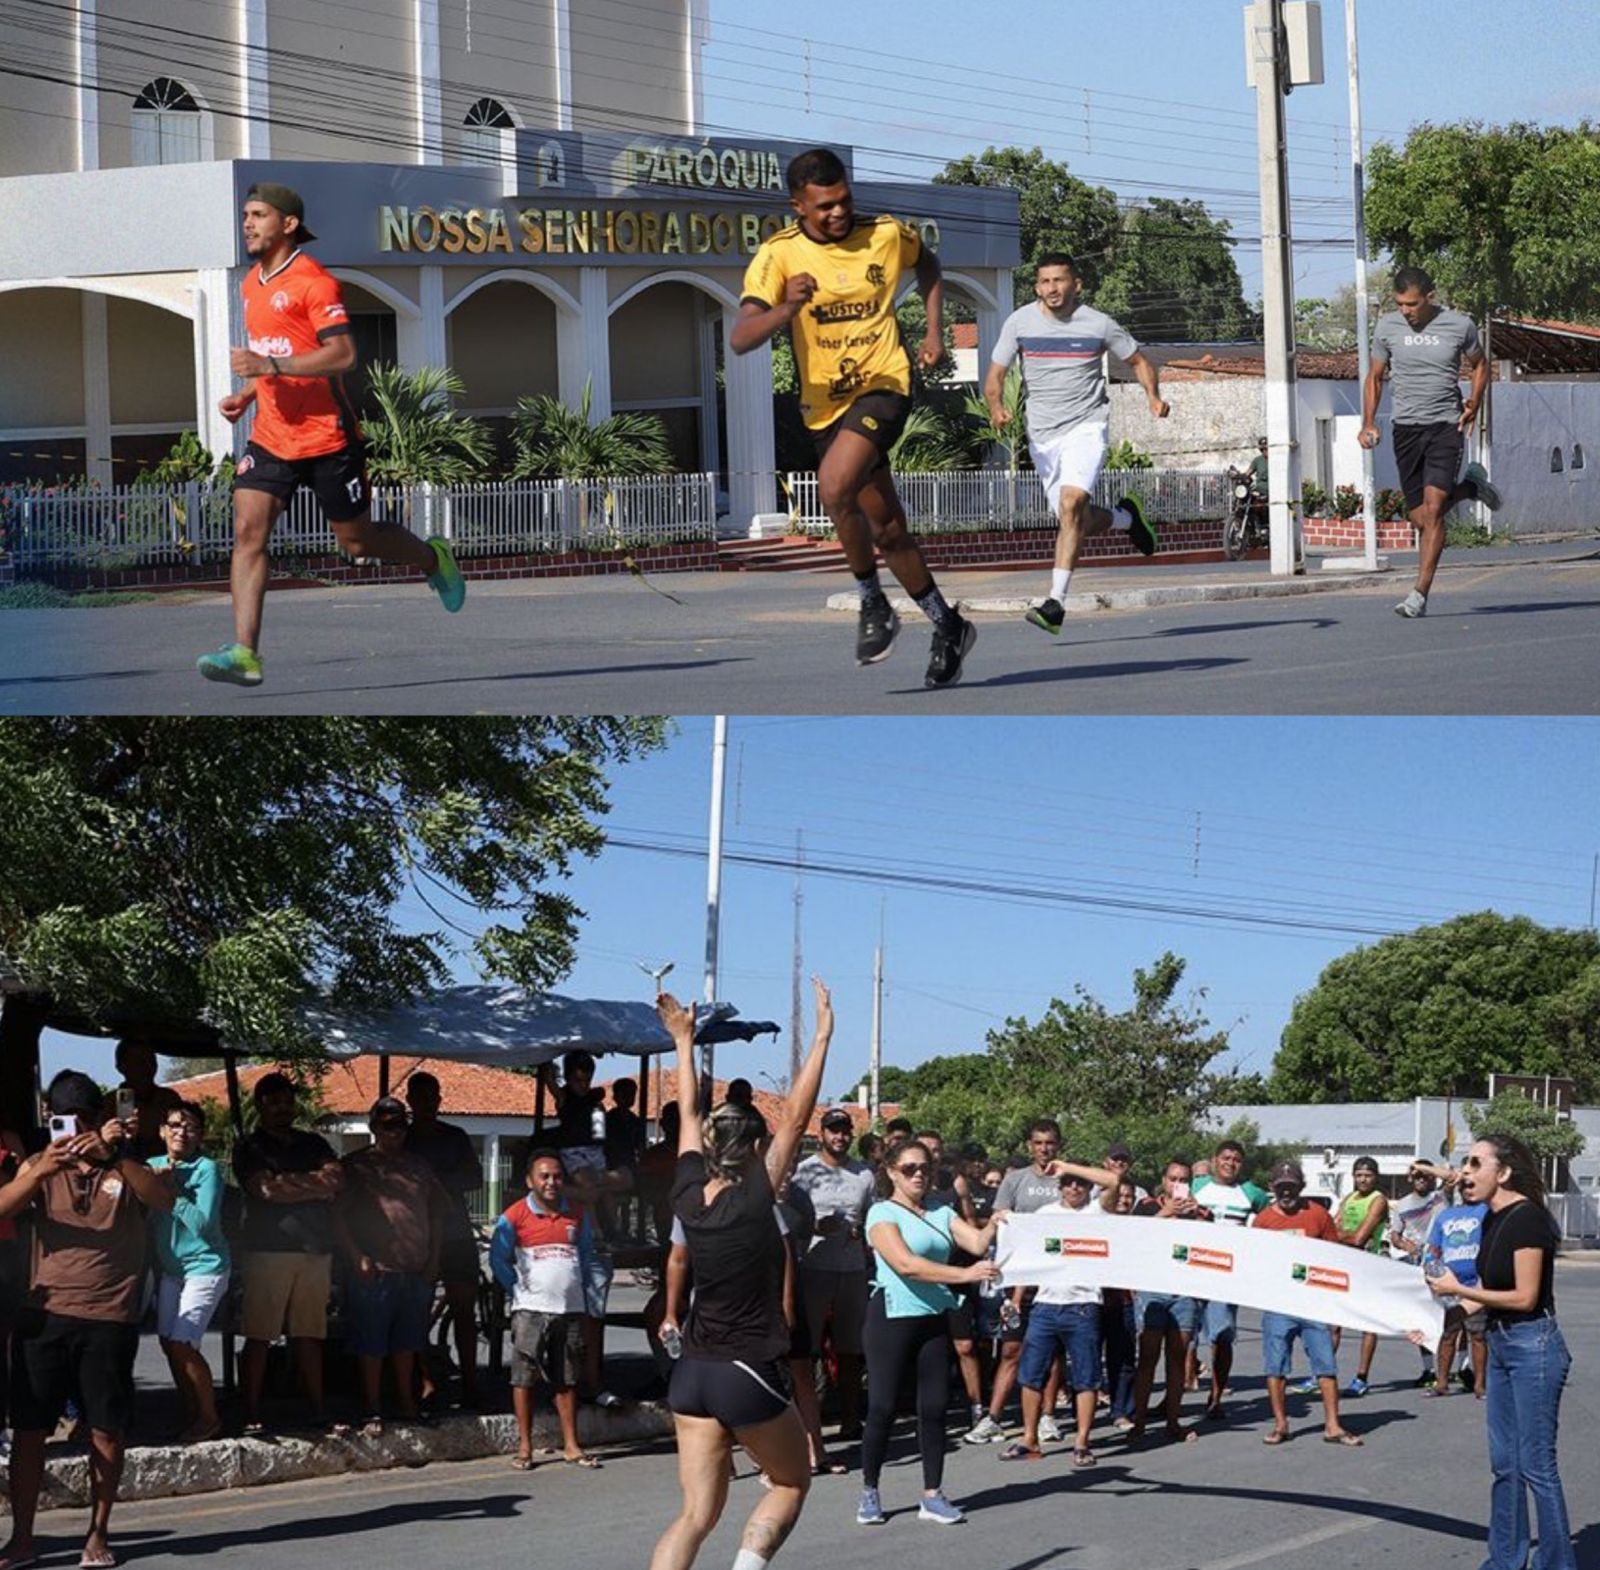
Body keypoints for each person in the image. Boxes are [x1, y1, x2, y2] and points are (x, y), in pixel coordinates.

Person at [200, 182, 463, 685]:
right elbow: (274, 351)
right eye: (246, 215)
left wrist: (267, 363)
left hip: (328, 438)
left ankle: (433, 557)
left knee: (358, 543)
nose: (248, 224)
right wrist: (250, 392)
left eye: (258, 215)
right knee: (247, 532)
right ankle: (245, 652)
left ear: (288, 224)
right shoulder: (252, 283)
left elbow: (342, 356)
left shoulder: (315, 283)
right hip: (272, 436)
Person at [732, 147, 976, 688]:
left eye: (843, 200)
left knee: (834, 486)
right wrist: (787, 310)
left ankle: (873, 604)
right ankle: (949, 624)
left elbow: (929, 265)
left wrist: (934, 331)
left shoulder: (887, 234)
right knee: (887, 531)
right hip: (824, 408)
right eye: (824, 207)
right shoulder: (778, 257)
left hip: (885, 383)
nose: (838, 213)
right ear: (798, 205)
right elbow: (742, 338)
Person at [648, 978, 834, 1570]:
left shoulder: (686, 1192)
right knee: (791, 1482)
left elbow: (689, 1114)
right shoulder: (756, 1197)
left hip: (692, 1374)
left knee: (695, 1515)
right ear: (754, 1149)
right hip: (742, 1368)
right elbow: (798, 1116)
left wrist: (682, 1041)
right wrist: (823, 1037)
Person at [0, 1071, 174, 1570]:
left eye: (81, 1120)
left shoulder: (126, 1164)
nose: (71, 1130)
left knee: (106, 1432)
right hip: (44, 1315)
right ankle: (23, 1538)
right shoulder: (40, 1164)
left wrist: (112, 1154)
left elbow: (163, 1198)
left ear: (100, 1118)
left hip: (108, 1320)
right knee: (31, 1431)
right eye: (61, 1120)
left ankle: (98, 1533)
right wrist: (38, 1171)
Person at [985, 252, 1168, 637]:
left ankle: (1055, 603)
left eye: (1060, 280)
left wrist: (1152, 396)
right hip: (1042, 435)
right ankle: (1126, 518)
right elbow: (996, 375)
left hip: (1086, 426)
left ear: (1076, 284)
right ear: (1037, 286)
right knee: (1075, 521)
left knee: (1071, 505)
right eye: (1045, 281)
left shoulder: (1099, 324)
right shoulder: (1019, 322)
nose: (1052, 288)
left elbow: (1138, 360)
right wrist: (996, 406)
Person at [1428, 1136, 1575, 1570]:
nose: (1466, 1173)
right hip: (1501, 1344)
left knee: (1536, 1466)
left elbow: (1525, 1296)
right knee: (1505, 1465)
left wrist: (1457, 1289)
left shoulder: (1528, 1220)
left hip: (1534, 1346)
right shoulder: (1489, 1221)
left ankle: (1557, 1564)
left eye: (1476, 1163)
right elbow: (1483, 1297)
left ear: (1504, 1173)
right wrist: (1436, 1322)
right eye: (1464, 1164)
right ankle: (1506, 1561)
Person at [859, 1139, 1004, 1524]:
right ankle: (870, 1490)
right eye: (909, 1168)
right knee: (883, 1407)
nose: (919, 1174)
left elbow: (974, 1242)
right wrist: (965, 1275)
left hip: (934, 1316)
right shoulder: (881, 1213)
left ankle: (932, 1494)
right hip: (891, 1316)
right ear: (891, 1172)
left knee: (935, 1407)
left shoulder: (941, 1209)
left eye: (925, 1167)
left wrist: (996, 1221)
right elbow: (907, 1265)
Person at [1359, 265, 1501, 619]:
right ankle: (1469, 489)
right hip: (1406, 429)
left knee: (1435, 508)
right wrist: (1367, 422)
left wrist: (1474, 402)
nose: (1406, 311)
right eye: (1400, 304)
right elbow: (1375, 377)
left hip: (1444, 426)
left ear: (1429, 298)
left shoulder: (1459, 324)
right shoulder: (1387, 327)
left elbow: (1480, 365)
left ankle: (1419, 594)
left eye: (1412, 304)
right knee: (1422, 519)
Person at [232, 1071, 344, 1435]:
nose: (283, 1107)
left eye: (287, 1101)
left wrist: (289, 1184)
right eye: (274, 1101)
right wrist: (313, 1185)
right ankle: (250, 1410)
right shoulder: (249, 1146)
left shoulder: (314, 1142)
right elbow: (265, 1190)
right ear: (261, 1105)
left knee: (309, 1335)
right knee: (260, 1335)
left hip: (314, 1251)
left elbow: (335, 1181)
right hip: (267, 1251)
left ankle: (317, 1407)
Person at [334, 1096, 447, 1434]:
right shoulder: (355, 1166)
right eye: (386, 1125)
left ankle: (407, 1404)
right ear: (373, 1127)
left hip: (415, 1268)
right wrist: (356, 1256)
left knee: (408, 1343)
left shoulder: (420, 1166)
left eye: (398, 1124)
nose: (393, 1131)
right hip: (376, 1270)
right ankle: (372, 1407)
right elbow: (336, 1216)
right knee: (372, 1344)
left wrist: (435, 1257)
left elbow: (438, 1212)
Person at [999, 1158, 1121, 1467]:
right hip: (1045, 1305)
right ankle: (1029, 1439)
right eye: (1068, 1183)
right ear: (1060, 1187)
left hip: (1083, 1307)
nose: (1075, 1187)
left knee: (1086, 1378)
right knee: (1030, 1375)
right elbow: (1028, 1255)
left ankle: (1081, 1442)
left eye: (1080, 1182)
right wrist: (1016, 1297)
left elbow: (1113, 1181)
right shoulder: (1045, 1214)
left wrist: (1068, 1166)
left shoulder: (1097, 1211)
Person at [490, 1147, 602, 1470]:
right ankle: (524, 1448)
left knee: (566, 1378)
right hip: (530, 1311)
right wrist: (517, 1289)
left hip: (570, 1308)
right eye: (544, 1176)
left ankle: (571, 1444)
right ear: (530, 1181)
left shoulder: (578, 1214)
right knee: (524, 1378)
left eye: (557, 1176)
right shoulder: (513, 1216)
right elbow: (499, 1259)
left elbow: (585, 1255)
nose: (552, 1182)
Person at [964, 1118, 1068, 1445]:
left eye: (1050, 1142)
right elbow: (1001, 1225)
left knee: (1052, 1351)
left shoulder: (1068, 1179)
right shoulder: (1014, 1180)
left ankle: (1047, 1418)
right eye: (1038, 1143)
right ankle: (992, 1418)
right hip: (1018, 1280)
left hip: (1057, 1277)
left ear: (1058, 1145)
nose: (1044, 1148)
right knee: (1011, 1348)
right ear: (1029, 1145)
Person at [1251, 1160, 1362, 1448]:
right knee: (1276, 1367)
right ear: (1272, 1188)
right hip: (1278, 1304)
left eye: (1292, 1187)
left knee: (1326, 1365)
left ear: (1301, 1187)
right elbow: (1255, 1263)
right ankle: (1281, 1425)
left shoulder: (1318, 1215)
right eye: (1281, 1188)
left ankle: (1333, 1425)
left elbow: (1333, 1256)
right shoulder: (1263, 1221)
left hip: (1314, 1304)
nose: (1287, 1193)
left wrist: (1335, 1300)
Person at [788, 1108, 874, 1445]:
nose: (839, 1137)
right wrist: (814, 1227)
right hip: (813, 1268)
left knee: (850, 1348)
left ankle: (852, 1419)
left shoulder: (863, 1174)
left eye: (844, 1131)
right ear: (821, 1133)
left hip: (852, 1269)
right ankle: (808, 1425)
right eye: (833, 1131)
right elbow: (790, 1222)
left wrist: (861, 1232)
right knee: (806, 1351)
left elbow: (874, 1217)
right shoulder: (804, 1173)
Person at [402, 1071, 485, 1411]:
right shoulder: (402, 1140)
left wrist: (433, 1182)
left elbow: (475, 1178)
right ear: (410, 1101)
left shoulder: (456, 1136)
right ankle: (425, 1382)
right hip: (414, 1238)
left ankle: (470, 1382)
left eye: (433, 1097)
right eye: (420, 1097)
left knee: (465, 1312)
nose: (428, 1103)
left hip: (455, 1235)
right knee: (415, 1314)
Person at [148, 1100, 230, 1442]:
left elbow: (203, 1225)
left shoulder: (207, 1169)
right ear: (162, 1131)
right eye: (175, 1125)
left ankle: (210, 1419)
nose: (181, 1131)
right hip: (171, 1271)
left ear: (201, 1135)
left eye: (190, 1127)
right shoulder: (149, 1167)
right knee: (169, 1344)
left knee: (183, 1343)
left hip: (206, 1266)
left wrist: (172, 1192)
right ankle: (190, 1411)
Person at [1127, 1159, 1205, 1443]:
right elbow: (1133, 1238)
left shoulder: (1199, 1211)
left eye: (1183, 1180)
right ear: (1163, 1180)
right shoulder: (1146, 1206)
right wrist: (1165, 1213)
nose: (1177, 1184)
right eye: (1173, 1179)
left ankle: (1173, 1421)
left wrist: (1197, 1217)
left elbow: (1212, 1246)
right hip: (1153, 1290)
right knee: (1147, 1357)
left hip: (1184, 1292)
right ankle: (1139, 1423)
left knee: (1177, 1358)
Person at [1189, 1138, 1268, 1419]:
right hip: (1191, 1270)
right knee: (1184, 1336)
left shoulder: (1250, 1193)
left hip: (1226, 1275)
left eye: (1235, 1159)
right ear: (1214, 1160)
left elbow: (1273, 1217)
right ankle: (1176, 1396)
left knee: (1221, 1336)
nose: (1230, 1163)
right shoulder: (1197, 1187)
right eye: (1225, 1158)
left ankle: (1216, 1396)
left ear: (1241, 1164)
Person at [1420, 1167, 1488, 1398]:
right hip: (1449, 1285)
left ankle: (1480, 1385)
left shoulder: (1486, 1211)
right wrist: (1433, 1272)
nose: (1468, 1189)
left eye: (1472, 1185)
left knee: (1477, 1335)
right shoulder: (1445, 1216)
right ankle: (1442, 1383)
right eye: (1464, 1185)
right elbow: (1434, 1249)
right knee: (1448, 1334)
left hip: (1476, 1285)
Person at [1388, 1161, 1450, 1388]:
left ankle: (1461, 1368)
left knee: (1452, 1319)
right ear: (1410, 1179)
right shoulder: (1402, 1205)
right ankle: (1428, 1370)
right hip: (1417, 1266)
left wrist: (1423, 1166)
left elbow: (1452, 1177)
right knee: (1422, 1318)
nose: (1421, 1179)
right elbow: (1394, 1234)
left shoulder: (1441, 1197)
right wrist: (1406, 1245)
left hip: (1445, 1265)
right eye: (1417, 1176)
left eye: (1425, 1175)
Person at [1331, 1156, 1389, 1396]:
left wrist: (1340, 1233)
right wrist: (1341, 1233)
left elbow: (1359, 1238)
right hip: (1346, 1265)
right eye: (1359, 1175)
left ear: (1375, 1177)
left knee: (1367, 1324)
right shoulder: (1348, 1199)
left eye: (1367, 1175)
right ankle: (1322, 1373)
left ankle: (1361, 1377)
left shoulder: (1378, 1200)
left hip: (1369, 1267)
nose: (1363, 1179)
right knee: (1333, 1323)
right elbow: (1331, 1228)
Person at [102, 1038, 183, 1160]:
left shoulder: (168, 1099)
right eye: (138, 1062)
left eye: (151, 1060)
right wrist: (107, 1139)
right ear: (121, 1067)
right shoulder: (110, 1103)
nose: (146, 1066)